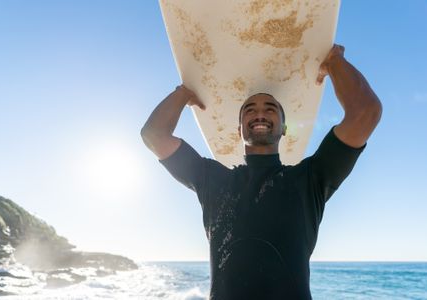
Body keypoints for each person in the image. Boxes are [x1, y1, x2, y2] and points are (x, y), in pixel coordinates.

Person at [141, 45, 382, 299]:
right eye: (249, 110)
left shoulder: (310, 179)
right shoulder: (212, 179)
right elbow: (154, 135)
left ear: (285, 128)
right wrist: (183, 94)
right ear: (239, 130)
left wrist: (334, 62)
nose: (259, 114)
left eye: (270, 109)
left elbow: (365, 112)